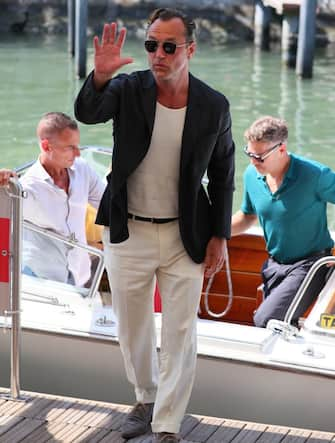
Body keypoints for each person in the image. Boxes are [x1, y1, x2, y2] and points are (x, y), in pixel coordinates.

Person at [74, 8, 235, 443]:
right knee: (132, 325)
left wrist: (221, 234)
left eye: (168, 46)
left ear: (190, 50)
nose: (158, 55)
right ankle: (146, 399)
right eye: (151, 45)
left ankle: (167, 424)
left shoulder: (214, 104)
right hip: (128, 228)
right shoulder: (127, 89)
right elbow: (87, 113)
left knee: (181, 331)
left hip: (187, 234)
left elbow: (223, 172)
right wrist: (101, 75)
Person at [232, 115, 335, 328]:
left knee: (265, 320)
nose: (253, 161)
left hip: (310, 265)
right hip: (273, 266)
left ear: (281, 149)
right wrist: (212, 233)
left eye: (260, 157)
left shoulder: (315, 174)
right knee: (278, 325)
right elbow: (247, 216)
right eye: (249, 154)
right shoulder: (252, 174)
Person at [0, 112, 105, 286]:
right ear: (46, 146)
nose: (78, 153)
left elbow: (107, 204)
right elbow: (5, 213)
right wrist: (4, 186)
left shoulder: (82, 169)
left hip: (80, 274)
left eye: (77, 146)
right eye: (69, 147)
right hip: (42, 281)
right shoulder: (26, 189)